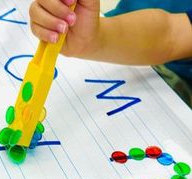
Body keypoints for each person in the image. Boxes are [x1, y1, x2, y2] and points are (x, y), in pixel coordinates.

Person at [29, 0, 192, 106]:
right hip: (127, 39)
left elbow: (173, 35)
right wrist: (95, 39)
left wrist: (96, 40)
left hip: (174, 95)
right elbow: (173, 33)